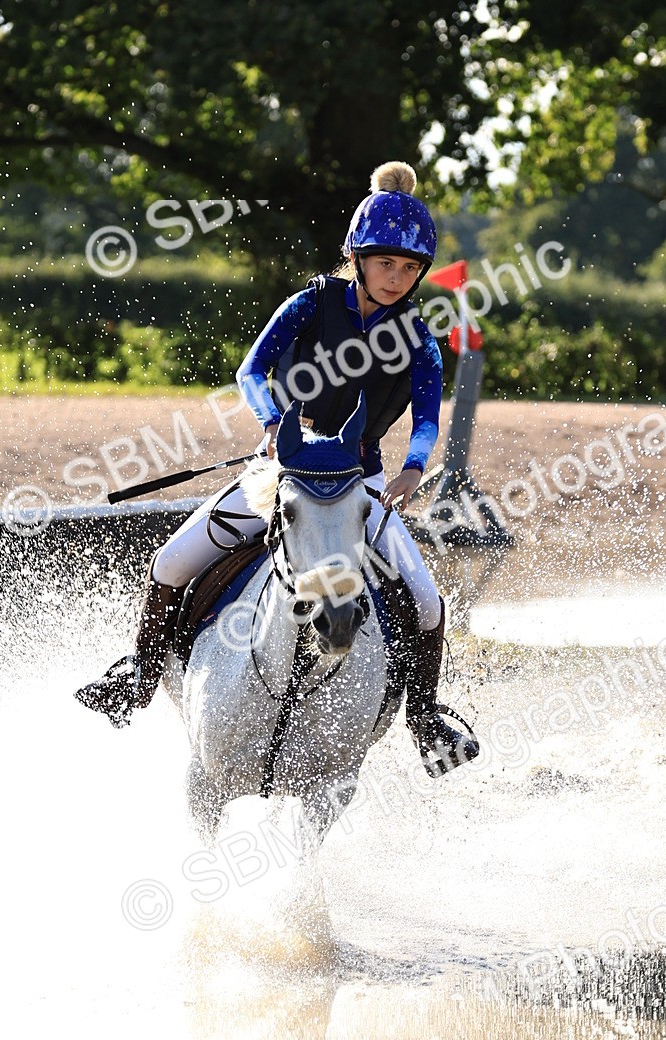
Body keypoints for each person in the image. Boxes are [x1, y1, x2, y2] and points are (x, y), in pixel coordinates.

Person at [75, 161, 479, 776]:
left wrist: (414, 467)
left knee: (425, 601)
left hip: (361, 484)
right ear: (358, 257)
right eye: (384, 264)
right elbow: (250, 372)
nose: (395, 278)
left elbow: (427, 418)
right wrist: (271, 425)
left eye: (408, 268)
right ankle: (137, 671)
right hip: (283, 473)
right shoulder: (309, 303)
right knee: (169, 563)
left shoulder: (420, 340)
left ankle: (424, 716)